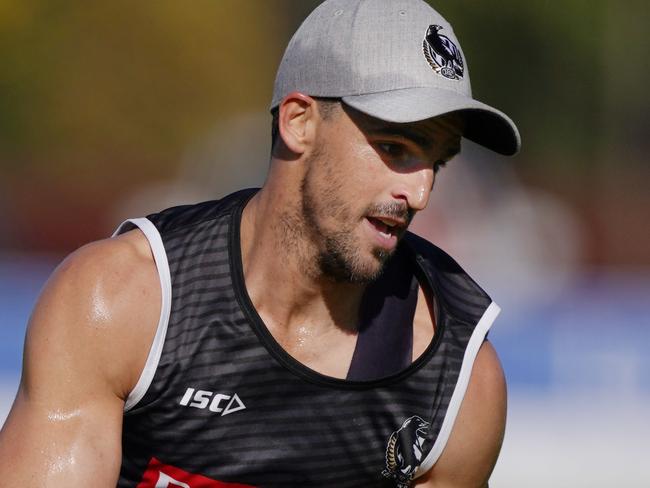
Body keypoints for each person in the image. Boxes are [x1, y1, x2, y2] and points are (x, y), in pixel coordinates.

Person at [0, 0, 520, 486]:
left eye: (438, 160)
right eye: (394, 147)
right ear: (299, 122)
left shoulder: (456, 381)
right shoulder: (121, 302)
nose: (421, 192)